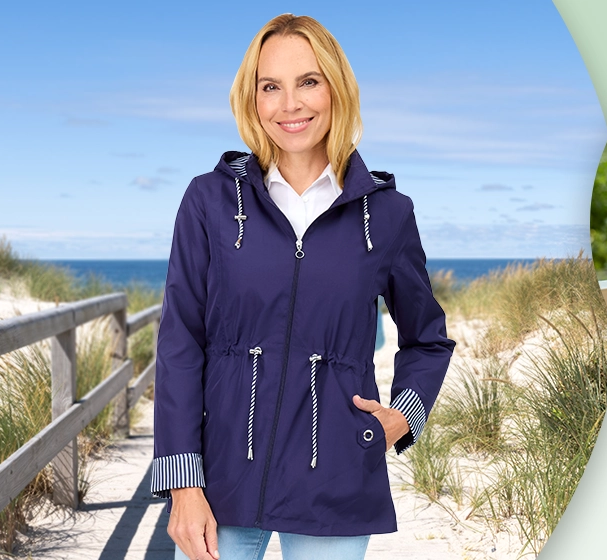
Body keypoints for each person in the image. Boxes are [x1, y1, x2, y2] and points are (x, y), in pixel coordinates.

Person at [150, 14, 455, 560]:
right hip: (221, 481)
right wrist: (183, 485)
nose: (289, 104)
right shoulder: (209, 201)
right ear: (252, 99)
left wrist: (403, 418)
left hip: (336, 476)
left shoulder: (386, 214)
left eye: (308, 82)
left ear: (336, 88)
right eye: (271, 86)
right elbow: (179, 343)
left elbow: (427, 338)